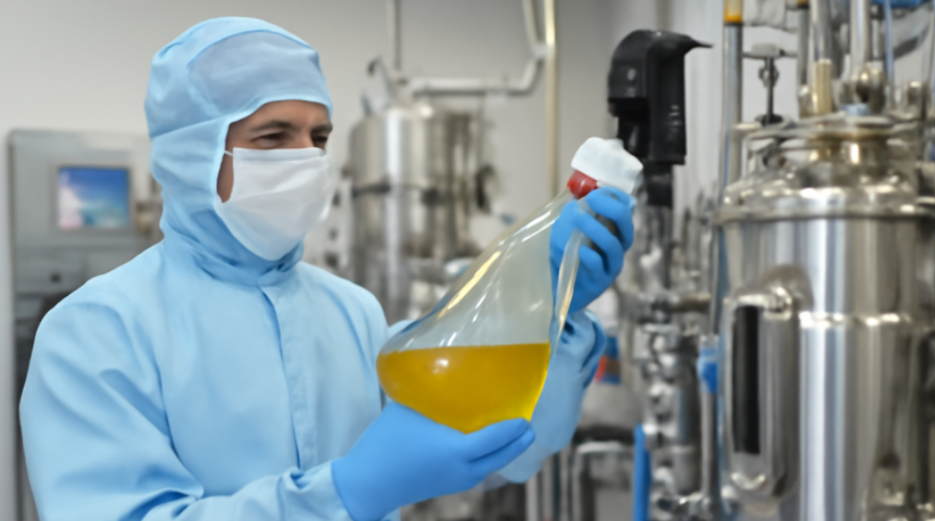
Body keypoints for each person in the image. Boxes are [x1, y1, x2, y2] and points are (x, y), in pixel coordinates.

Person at [19, 17, 636, 521]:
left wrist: (548, 307)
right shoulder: (97, 333)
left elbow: (501, 448)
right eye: (272, 136)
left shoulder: (352, 311)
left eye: (317, 137)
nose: (305, 159)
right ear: (190, 157)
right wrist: (346, 492)